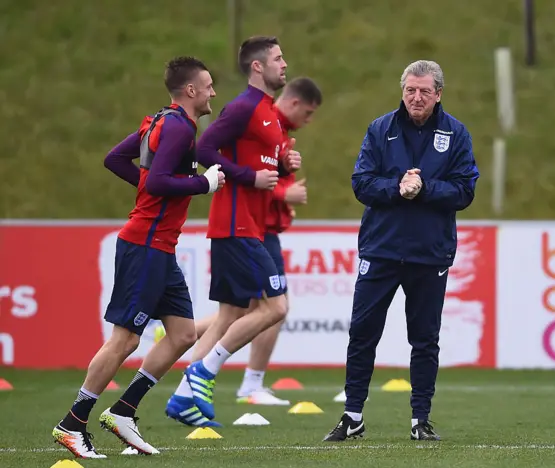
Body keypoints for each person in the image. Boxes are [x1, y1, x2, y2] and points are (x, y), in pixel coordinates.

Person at [51, 56, 226, 459]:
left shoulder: (161, 121)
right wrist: (204, 183)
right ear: (191, 91)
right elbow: (162, 181)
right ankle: (72, 423)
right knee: (125, 338)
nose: (214, 92)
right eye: (209, 85)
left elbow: (116, 160)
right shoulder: (179, 128)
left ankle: (124, 411)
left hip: (160, 248)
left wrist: (151, 188)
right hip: (144, 245)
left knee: (183, 333)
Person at [323, 60, 480, 442]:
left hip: (430, 253)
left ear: (438, 93)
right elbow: (361, 182)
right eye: (410, 90)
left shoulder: (455, 133)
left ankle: (420, 419)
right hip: (381, 249)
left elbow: (465, 191)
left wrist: (423, 188)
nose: (416, 97)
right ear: (402, 91)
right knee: (362, 333)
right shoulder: (381, 129)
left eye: (425, 91)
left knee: (424, 339)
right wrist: (397, 186)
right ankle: (353, 415)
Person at [163, 35, 301, 425]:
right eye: (278, 58)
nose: (284, 64)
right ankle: (202, 373)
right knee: (275, 306)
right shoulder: (243, 107)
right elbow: (205, 149)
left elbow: (264, 165)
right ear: (257, 66)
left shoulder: (270, 112)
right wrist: (249, 177)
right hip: (237, 223)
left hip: (250, 226)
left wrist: (285, 163)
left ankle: (183, 399)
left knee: (230, 314)